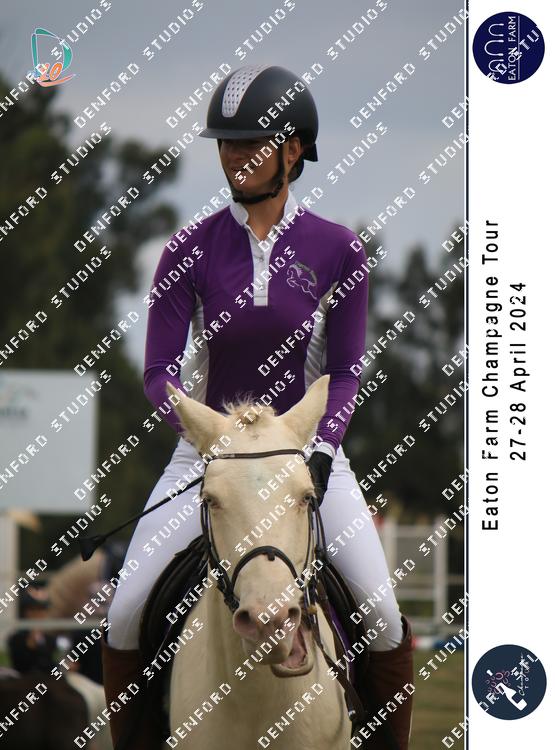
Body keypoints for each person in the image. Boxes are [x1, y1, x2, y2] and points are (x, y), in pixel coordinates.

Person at [103, 65, 414, 749]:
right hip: (205, 456)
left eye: (251, 143)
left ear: (292, 150)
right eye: (227, 143)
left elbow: (345, 371)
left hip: (307, 458)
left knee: (385, 620)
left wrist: (323, 450)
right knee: (124, 615)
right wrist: (207, 437)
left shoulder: (338, 250)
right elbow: (158, 374)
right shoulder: (188, 249)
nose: (234, 156)